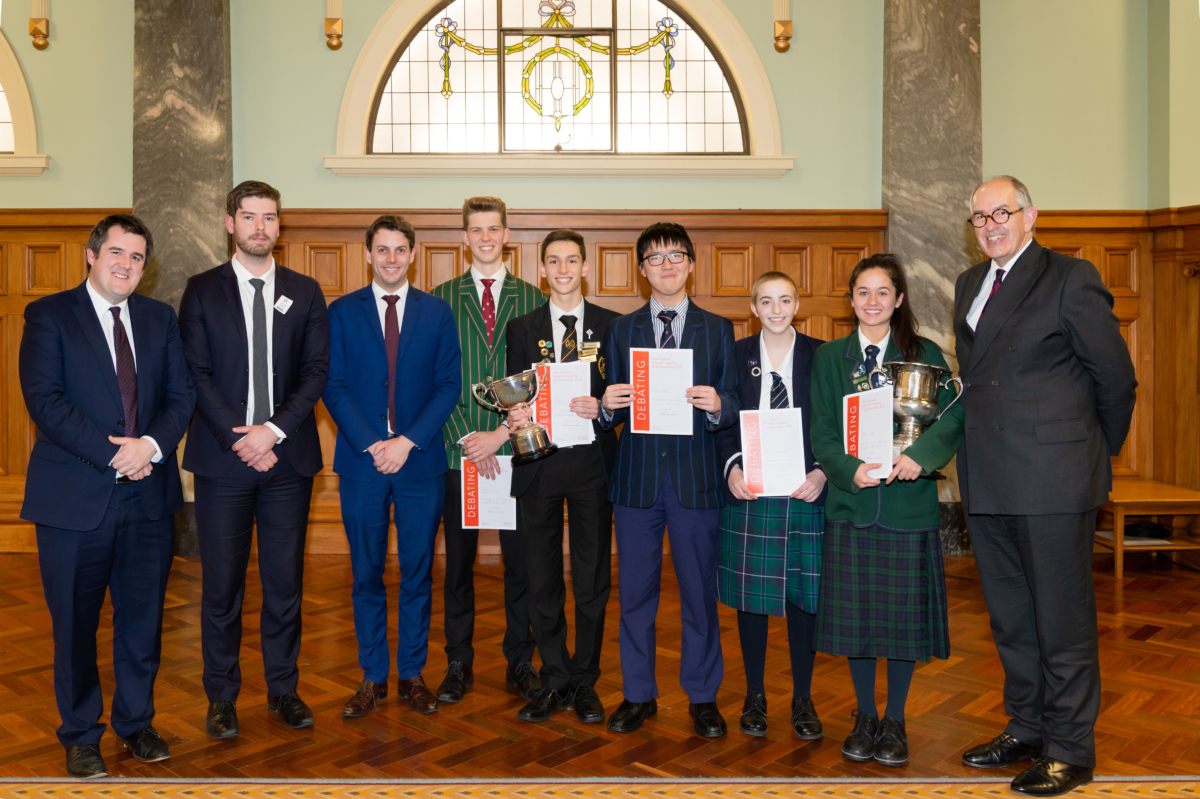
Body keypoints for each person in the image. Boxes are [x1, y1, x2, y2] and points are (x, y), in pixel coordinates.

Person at [953, 177, 1136, 797]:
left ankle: (1070, 750)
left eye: (1001, 212)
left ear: (1030, 215)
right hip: (987, 477)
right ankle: (1027, 728)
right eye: (979, 218)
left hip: (1052, 480)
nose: (990, 225)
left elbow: (1115, 378)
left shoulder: (1069, 277)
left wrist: (1087, 453)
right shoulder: (969, 284)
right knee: (1011, 620)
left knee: (1062, 622)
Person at [19, 214, 195, 778]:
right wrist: (114, 451)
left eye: (137, 257)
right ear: (92, 255)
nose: (126, 265)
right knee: (75, 625)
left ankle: (137, 724)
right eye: (116, 252)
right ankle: (79, 733)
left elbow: (180, 395)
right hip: (74, 500)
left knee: (142, 624)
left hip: (149, 498)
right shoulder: (48, 315)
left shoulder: (158, 318)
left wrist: (151, 446)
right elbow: (44, 401)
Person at [179, 180, 330, 738]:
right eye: (249, 217)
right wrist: (241, 439)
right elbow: (193, 373)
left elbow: (316, 372)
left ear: (279, 226)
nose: (260, 227)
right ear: (230, 223)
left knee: (284, 585)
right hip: (223, 462)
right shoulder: (200, 291)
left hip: (287, 464)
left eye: (270, 217)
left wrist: (270, 432)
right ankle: (221, 698)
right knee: (221, 588)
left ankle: (283, 690)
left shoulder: (306, 291)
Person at [808, 253, 963, 768]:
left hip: (906, 506)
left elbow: (954, 415)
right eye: (862, 292)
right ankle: (865, 714)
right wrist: (842, 466)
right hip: (852, 503)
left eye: (882, 293)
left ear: (898, 300)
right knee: (856, 622)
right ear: (851, 300)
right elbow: (823, 429)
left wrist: (920, 457)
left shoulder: (927, 355)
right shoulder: (830, 358)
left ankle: (895, 717)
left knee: (901, 621)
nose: (872, 302)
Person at [599, 222, 738, 738]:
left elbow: (733, 403)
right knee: (635, 594)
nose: (666, 264)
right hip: (635, 484)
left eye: (676, 255)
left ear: (691, 264)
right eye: (655, 258)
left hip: (696, 481)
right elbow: (608, 412)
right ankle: (638, 694)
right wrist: (606, 407)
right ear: (641, 270)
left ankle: (702, 696)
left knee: (700, 594)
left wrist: (720, 404)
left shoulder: (718, 329)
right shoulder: (621, 330)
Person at [323, 215, 462, 718]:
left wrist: (406, 442)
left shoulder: (437, 313)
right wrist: (372, 444)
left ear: (412, 255)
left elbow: (449, 386)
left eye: (400, 250)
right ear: (368, 254)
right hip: (362, 465)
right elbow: (331, 385)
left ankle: (412, 674)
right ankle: (372, 677)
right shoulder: (340, 313)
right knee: (365, 573)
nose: (391, 259)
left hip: (420, 464)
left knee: (419, 572)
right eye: (382, 250)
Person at [430, 196, 546, 704]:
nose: (484, 237)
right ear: (464, 237)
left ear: (506, 235)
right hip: (460, 451)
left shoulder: (533, 296)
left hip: (518, 449)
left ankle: (520, 659)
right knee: (458, 566)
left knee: (522, 564)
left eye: (493, 229)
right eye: (475, 229)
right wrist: (469, 441)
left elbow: (543, 378)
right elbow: (431, 379)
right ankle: (459, 661)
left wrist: (501, 435)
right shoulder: (438, 298)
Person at [503, 229, 620, 724]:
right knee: (542, 578)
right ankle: (553, 679)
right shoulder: (522, 327)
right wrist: (515, 416)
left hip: (593, 466)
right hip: (541, 467)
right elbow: (514, 397)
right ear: (543, 270)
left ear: (586, 267)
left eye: (572, 260)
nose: (564, 269)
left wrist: (605, 407)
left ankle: (585, 680)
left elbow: (622, 399)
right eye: (554, 261)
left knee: (592, 580)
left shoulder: (613, 326)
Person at [716, 271, 827, 739]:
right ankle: (755, 695)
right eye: (767, 301)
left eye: (785, 300)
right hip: (753, 489)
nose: (776, 309)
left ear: (797, 304)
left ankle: (803, 698)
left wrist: (822, 471)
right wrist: (733, 468)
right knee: (751, 598)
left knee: (806, 599)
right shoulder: (737, 353)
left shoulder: (821, 354)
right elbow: (721, 417)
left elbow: (834, 420)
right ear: (754, 309)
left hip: (805, 489)